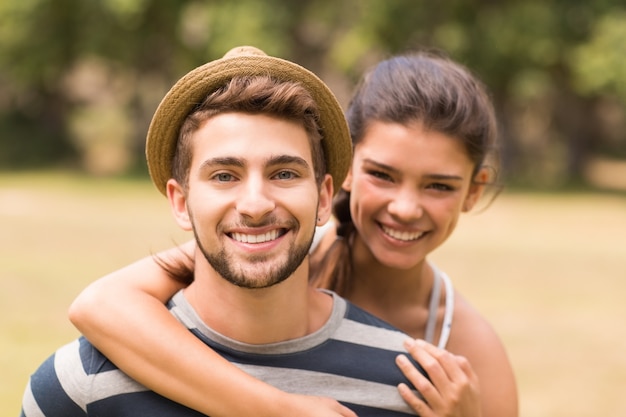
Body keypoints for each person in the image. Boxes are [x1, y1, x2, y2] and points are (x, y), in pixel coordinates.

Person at [68, 50, 518, 417]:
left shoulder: (468, 348)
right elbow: (100, 305)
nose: (404, 207)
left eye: (438, 185)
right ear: (343, 172)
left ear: (473, 191)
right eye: (381, 174)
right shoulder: (272, 250)